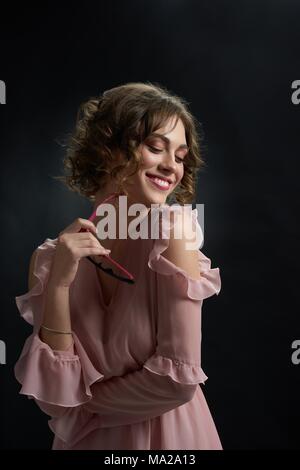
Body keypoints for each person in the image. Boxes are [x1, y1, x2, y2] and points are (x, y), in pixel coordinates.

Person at [14, 82, 222, 450]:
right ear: (109, 147)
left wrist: (79, 406)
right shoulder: (50, 258)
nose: (171, 166)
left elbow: (177, 380)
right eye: (155, 147)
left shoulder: (175, 231)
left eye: (180, 155)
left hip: (166, 443)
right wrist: (60, 284)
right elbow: (50, 395)